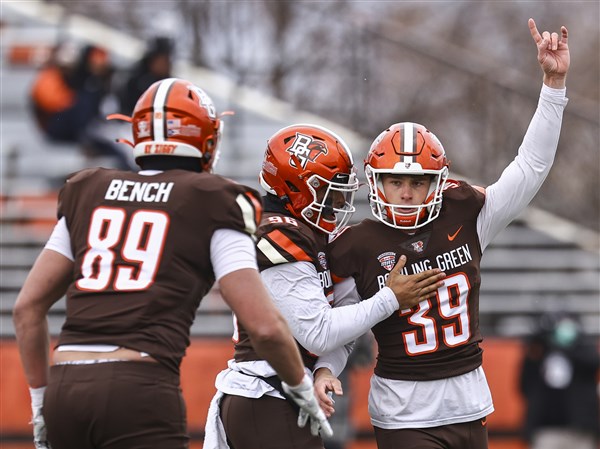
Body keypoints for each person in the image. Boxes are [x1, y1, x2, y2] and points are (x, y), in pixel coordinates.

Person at [12, 78, 332, 449]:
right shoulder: (214, 198)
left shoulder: (88, 190)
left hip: (64, 388)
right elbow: (264, 327)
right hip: (139, 385)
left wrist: (40, 404)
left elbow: (26, 308)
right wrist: (299, 386)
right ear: (207, 142)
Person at [315, 18, 571, 449]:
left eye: (418, 183)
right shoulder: (357, 245)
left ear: (439, 183)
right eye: (396, 181)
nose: (407, 192)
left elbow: (531, 168)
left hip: (469, 401)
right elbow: (343, 327)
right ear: (376, 182)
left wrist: (553, 85)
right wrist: (325, 369)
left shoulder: (465, 214)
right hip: (403, 410)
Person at [203, 124, 446, 449]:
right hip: (267, 395)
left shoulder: (306, 233)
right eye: (328, 192)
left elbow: (339, 323)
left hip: (279, 393)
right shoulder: (280, 235)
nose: (335, 204)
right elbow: (318, 332)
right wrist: (390, 298)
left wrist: (325, 370)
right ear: (295, 185)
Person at [30, 42, 133, 170]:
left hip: (82, 125)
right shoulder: (50, 78)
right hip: (57, 126)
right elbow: (55, 103)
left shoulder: (87, 82)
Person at [519, 312, 599, 449]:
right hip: (545, 429)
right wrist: (543, 339)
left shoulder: (582, 347)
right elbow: (525, 385)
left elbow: (593, 363)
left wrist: (568, 346)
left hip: (579, 431)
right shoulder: (540, 351)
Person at [117, 36, 174, 115]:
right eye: (162, 60)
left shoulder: (171, 84)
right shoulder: (133, 81)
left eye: (167, 60)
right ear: (151, 60)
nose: (166, 64)